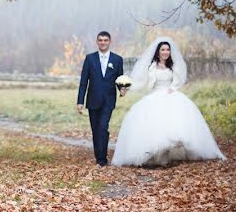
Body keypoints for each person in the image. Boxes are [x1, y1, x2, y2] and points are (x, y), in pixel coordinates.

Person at [112, 37, 226, 167]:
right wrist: (127, 87)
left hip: (171, 95)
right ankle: (157, 156)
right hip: (154, 96)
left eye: (167, 50)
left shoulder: (173, 67)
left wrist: (173, 89)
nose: (165, 52)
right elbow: (142, 83)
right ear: (158, 52)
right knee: (154, 126)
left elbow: (178, 81)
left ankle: (166, 154)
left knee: (173, 126)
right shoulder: (151, 67)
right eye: (163, 50)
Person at [77, 31, 125, 167]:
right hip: (92, 99)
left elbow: (120, 79)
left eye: (105, 40)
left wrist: (122, 89)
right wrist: (80, 101)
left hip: (108, 100)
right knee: (95, 129)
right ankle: (98, 156)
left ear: (109, 42)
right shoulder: (90, 58)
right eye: (100, 40)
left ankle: (102, 160)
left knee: (103, 127)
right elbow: (83, 81)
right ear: (97, 42)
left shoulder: (117, 60)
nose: (103, 42)